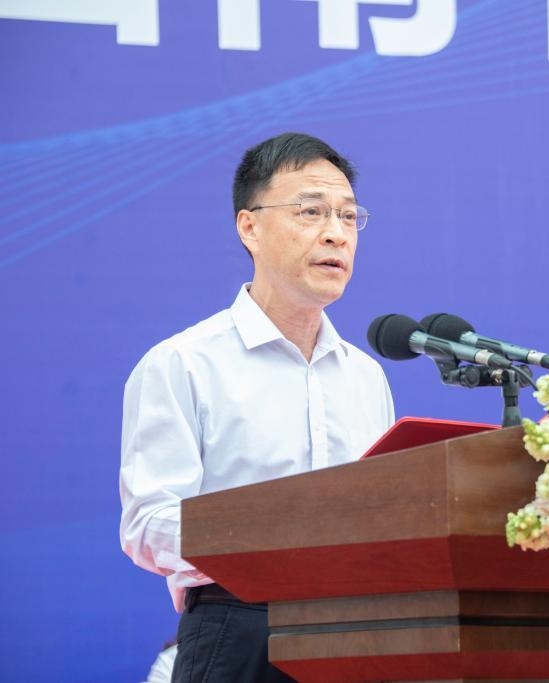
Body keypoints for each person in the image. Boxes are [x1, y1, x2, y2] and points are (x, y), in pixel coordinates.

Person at [119, 132, 395, 682]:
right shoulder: (184, 363)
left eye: (348, 216)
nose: (336, 234)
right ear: (250, 227)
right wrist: (272, 538)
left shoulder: (366, 376)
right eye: (311, 211)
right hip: (239, 629)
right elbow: (147, 525)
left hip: (359, 630)